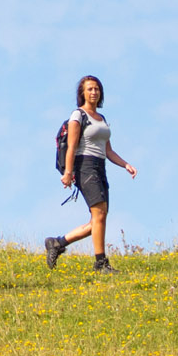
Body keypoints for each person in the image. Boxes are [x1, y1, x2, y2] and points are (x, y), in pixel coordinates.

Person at [44, 74, 136, 273]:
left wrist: (125, 164)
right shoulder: (78, 115)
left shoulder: (102, 119)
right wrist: (68, 173)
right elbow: (71, 147)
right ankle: (101, 263)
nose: (94, 92)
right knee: (99, 214)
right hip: (84, 166)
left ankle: (57, 243)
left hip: (100, 166)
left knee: (98, 218)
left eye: (97, 89)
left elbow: (108, 150)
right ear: (83, 93)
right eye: (90, 89)